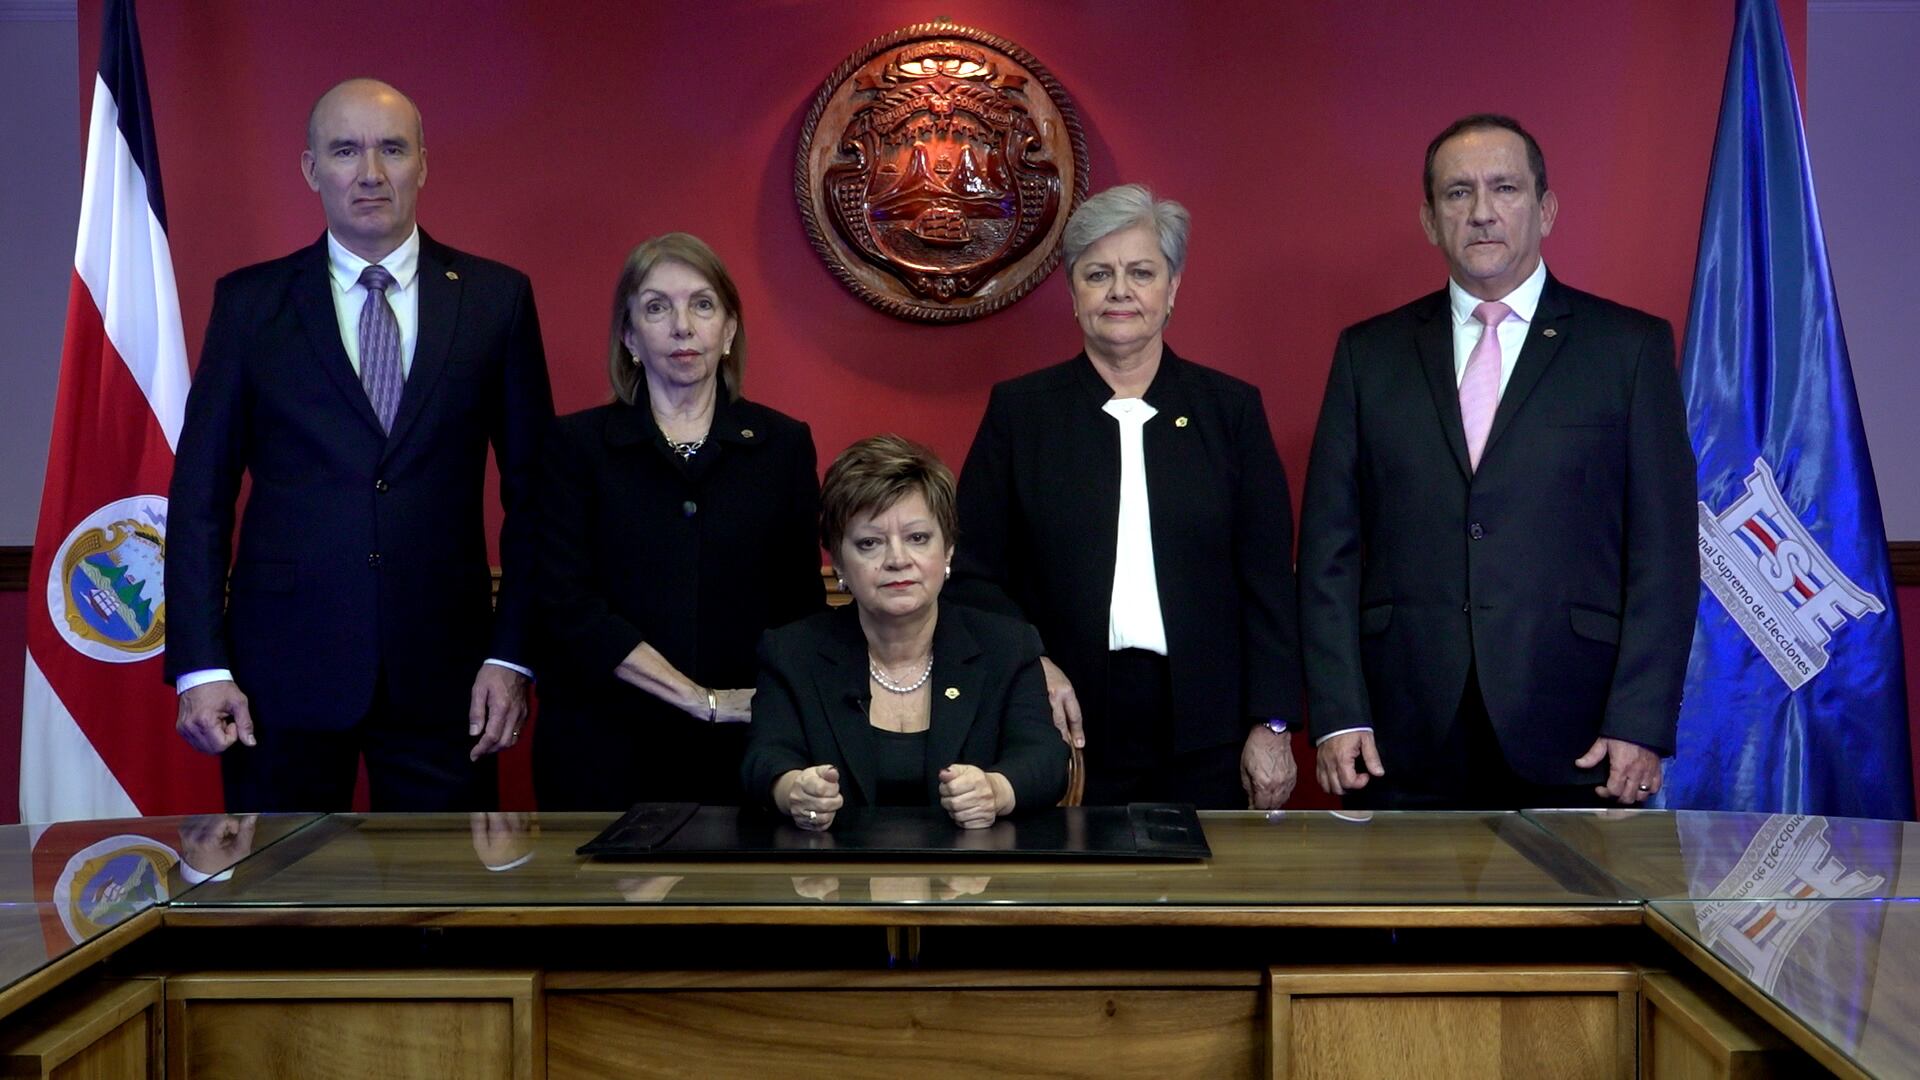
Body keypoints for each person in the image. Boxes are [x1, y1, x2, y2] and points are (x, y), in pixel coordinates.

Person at [166, 78, 554, 811]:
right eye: (345, 151)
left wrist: (511, 655)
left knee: (443, 909)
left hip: (449, 676)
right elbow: (199, 500)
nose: (370, 173)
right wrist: (198, 666)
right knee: (280, 910)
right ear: (312, 169)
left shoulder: (496, 300)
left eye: (392, 149)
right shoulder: (250, 305)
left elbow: (537, 497)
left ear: (423, 164)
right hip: (276, 676)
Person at [1298, 114, 1696, 810]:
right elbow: (1329, 550)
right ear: (1428, 219)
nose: (1481, 212)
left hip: (1578, 729)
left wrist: (1640, 720)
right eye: (1457, 194)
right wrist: (1339, 710)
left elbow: (1663, 554)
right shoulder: (1369, 355)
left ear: (1545, 209)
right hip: (1402, 729)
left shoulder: (1627, 349)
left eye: (1504, 188)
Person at [946, 184, 1301, 810]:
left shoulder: (1230, 411)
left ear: (1173, 289)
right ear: (1073, 293)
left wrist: (1272, 725)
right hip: (1061, 723)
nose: (1120, 291)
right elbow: (971, 573)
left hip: (1206, 728)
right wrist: (1032, 663)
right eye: (1097, 274)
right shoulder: (1021, 413)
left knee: (1201, 902)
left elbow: (1267, 581)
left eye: (1141, 272)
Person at [532, 233, 823, 809]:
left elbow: (801, 607)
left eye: (703, 304)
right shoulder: (574, 446)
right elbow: (566, 606)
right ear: (629, 335)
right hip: (605, 750)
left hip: (749, 751)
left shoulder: (783, 446)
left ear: (729, 329)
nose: (682, 326)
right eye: (657, 307)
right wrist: (698, 699)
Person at [743, 436, 1069, 829]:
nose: (897, 560)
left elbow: (1046, 760)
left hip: (971, 881)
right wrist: (794, 788)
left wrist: (995, 790)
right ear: (839, 562)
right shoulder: (792, 651)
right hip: (834, 881)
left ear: (947, 549)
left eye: (918, 538)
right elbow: (764, 759)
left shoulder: (1006, 645)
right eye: (870, 543)